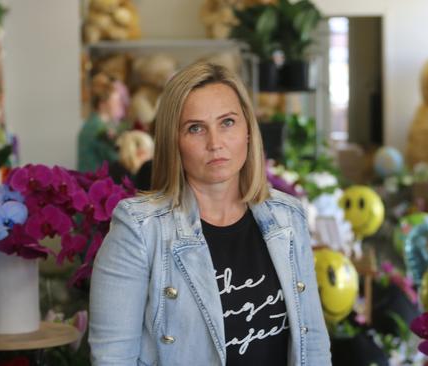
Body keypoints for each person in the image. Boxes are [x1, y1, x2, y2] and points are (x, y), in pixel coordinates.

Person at [89, 61, 331, 365]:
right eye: (195, 128)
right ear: (173, 140)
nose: (215, 143)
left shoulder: (289, 217)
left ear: (247, 130)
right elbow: (113, 358)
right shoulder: (139, 228)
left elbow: (314, 345)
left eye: (227, 122)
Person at [77, 73, 124, 172]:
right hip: (93, 184)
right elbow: (117, 159)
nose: (119, 105)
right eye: (115, 102)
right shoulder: (98, 128)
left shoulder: (94, 123)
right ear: (102, 104)